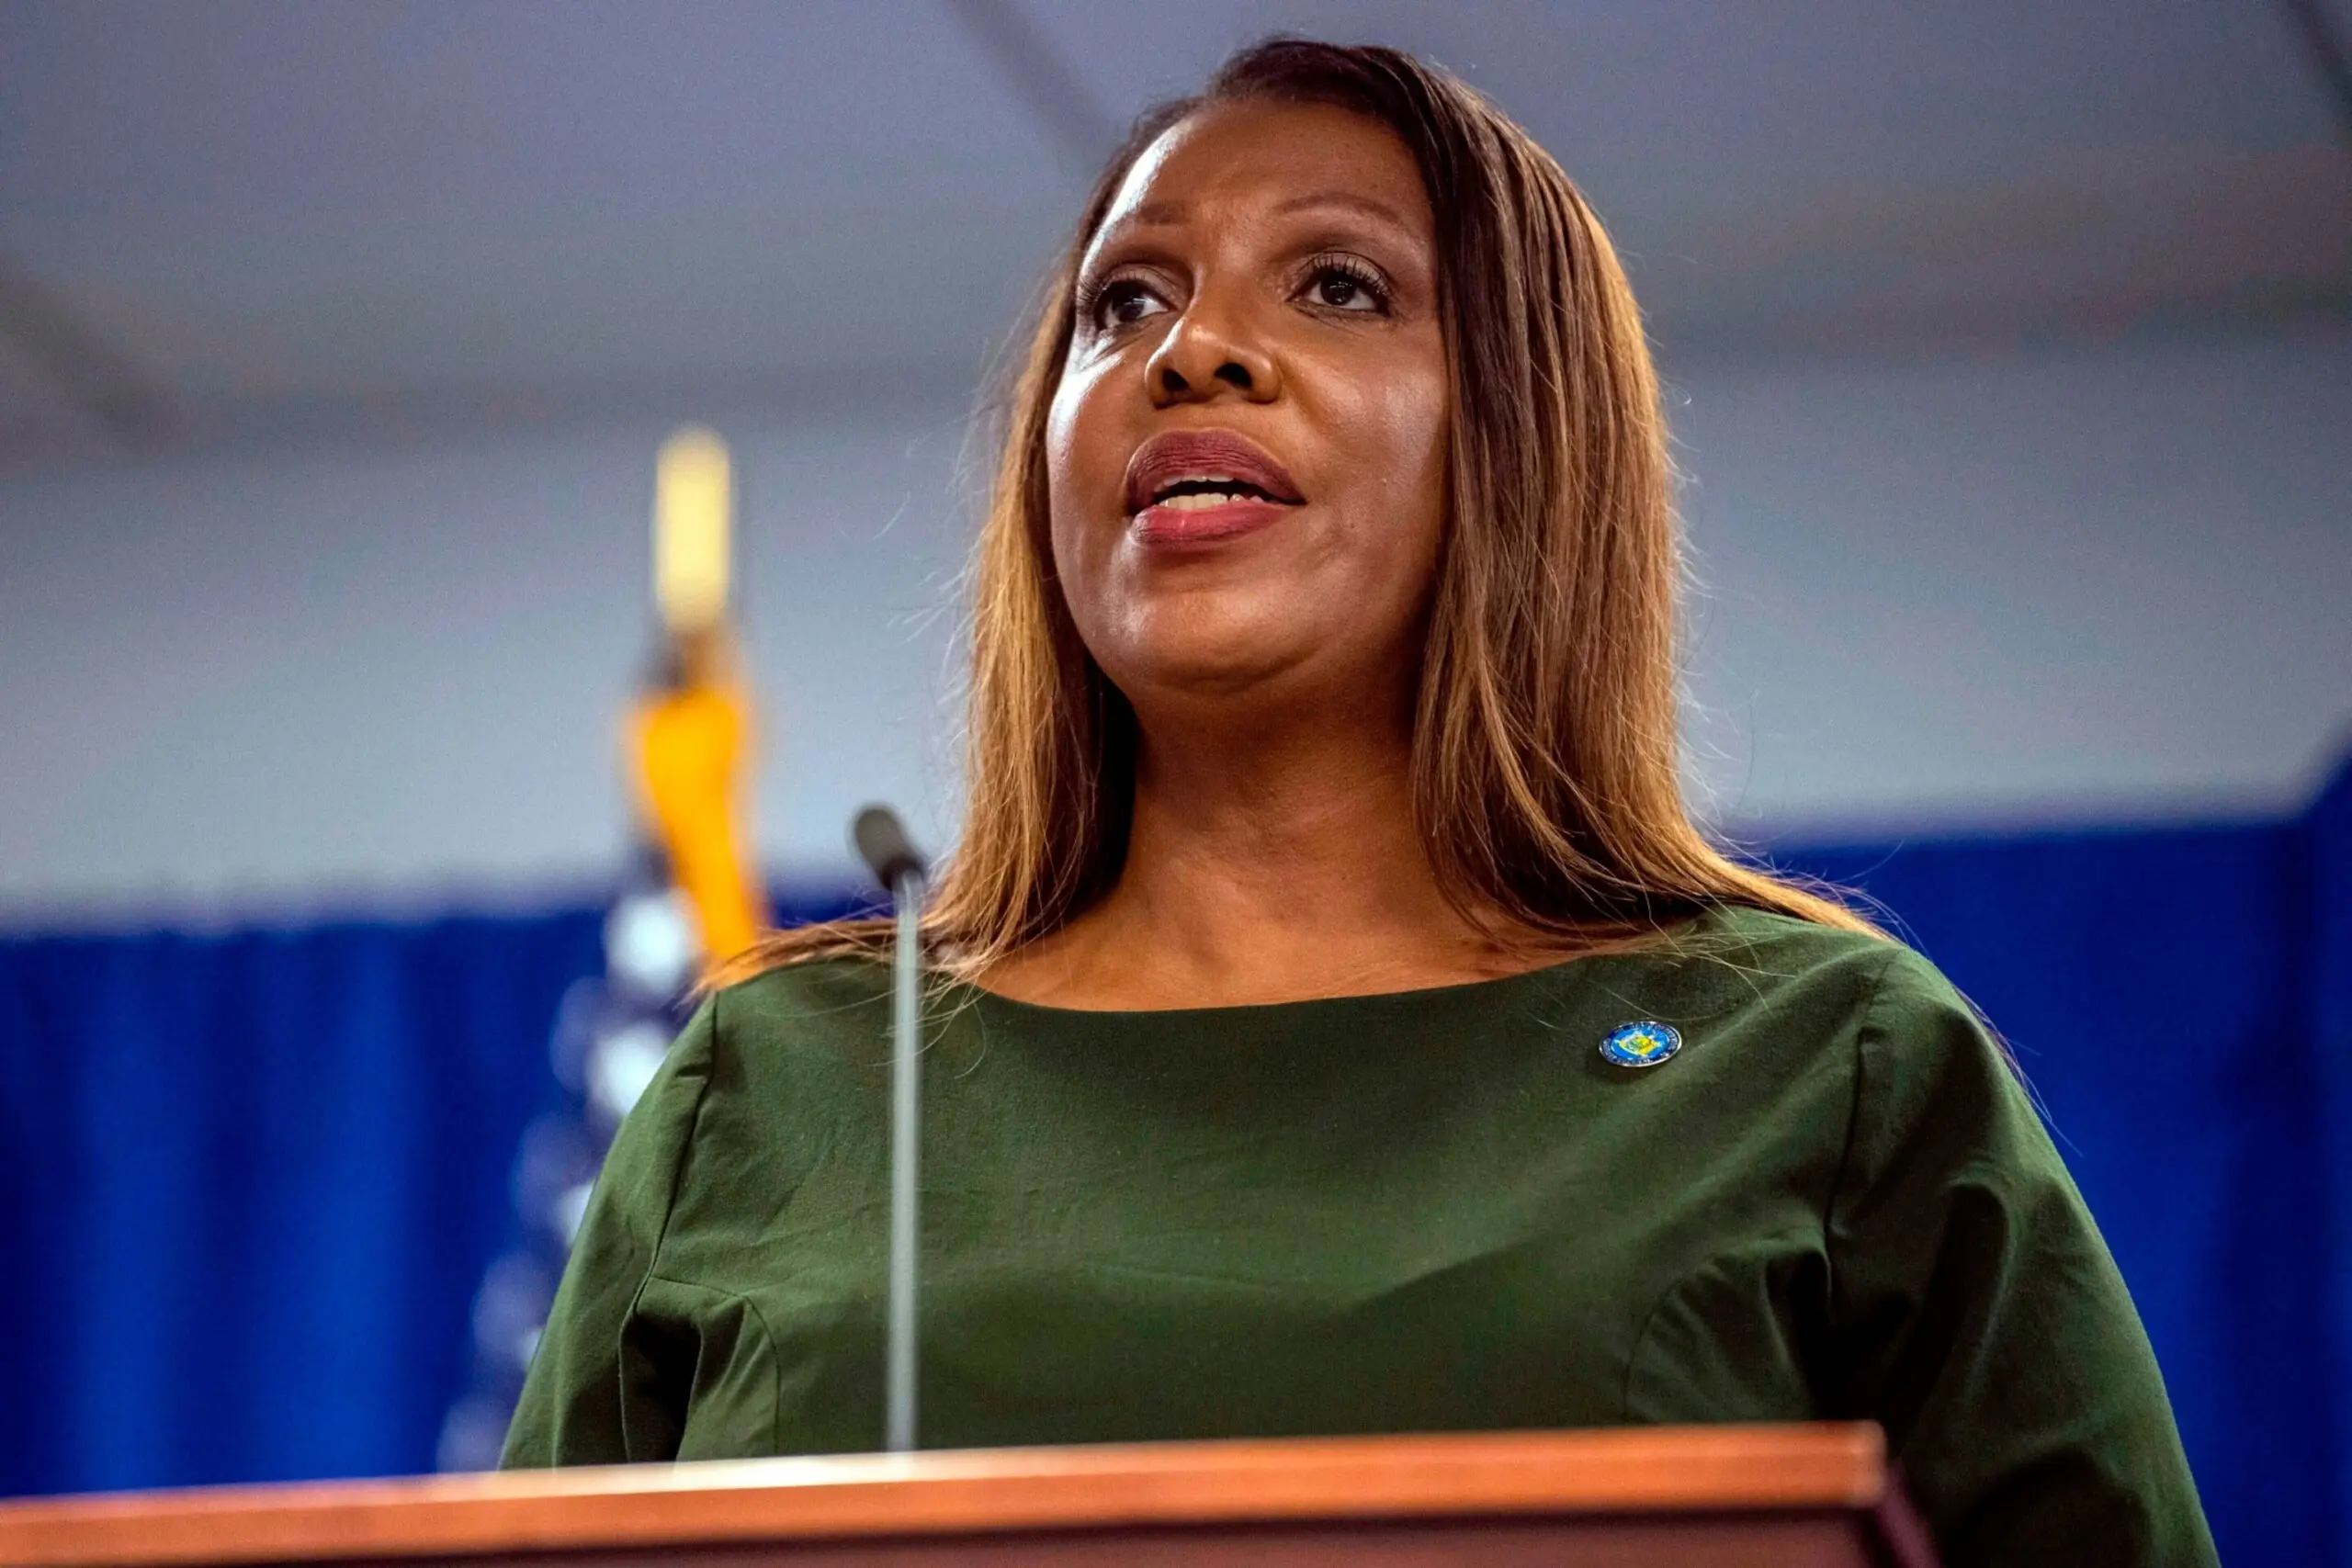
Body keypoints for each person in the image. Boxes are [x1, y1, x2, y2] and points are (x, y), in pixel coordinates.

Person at [503, 39, 2216, 1567]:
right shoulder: (777, 1085)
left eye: (1336, 286)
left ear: (1522, 440)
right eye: (1125, 302)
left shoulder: (1827, 1070)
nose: (1193, 353)